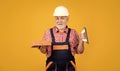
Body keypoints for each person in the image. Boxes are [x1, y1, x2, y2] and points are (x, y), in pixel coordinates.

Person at [33, 6, 87, 71]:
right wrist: (41, 48)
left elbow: (80, 51)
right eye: (57, 18)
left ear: (67, 19)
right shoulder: (48, 33)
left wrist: (81, 41)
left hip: (69, 68)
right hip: (52, 68)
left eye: (62, 18)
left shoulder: (73, 33)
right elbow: (44, 51)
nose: (59, 21)